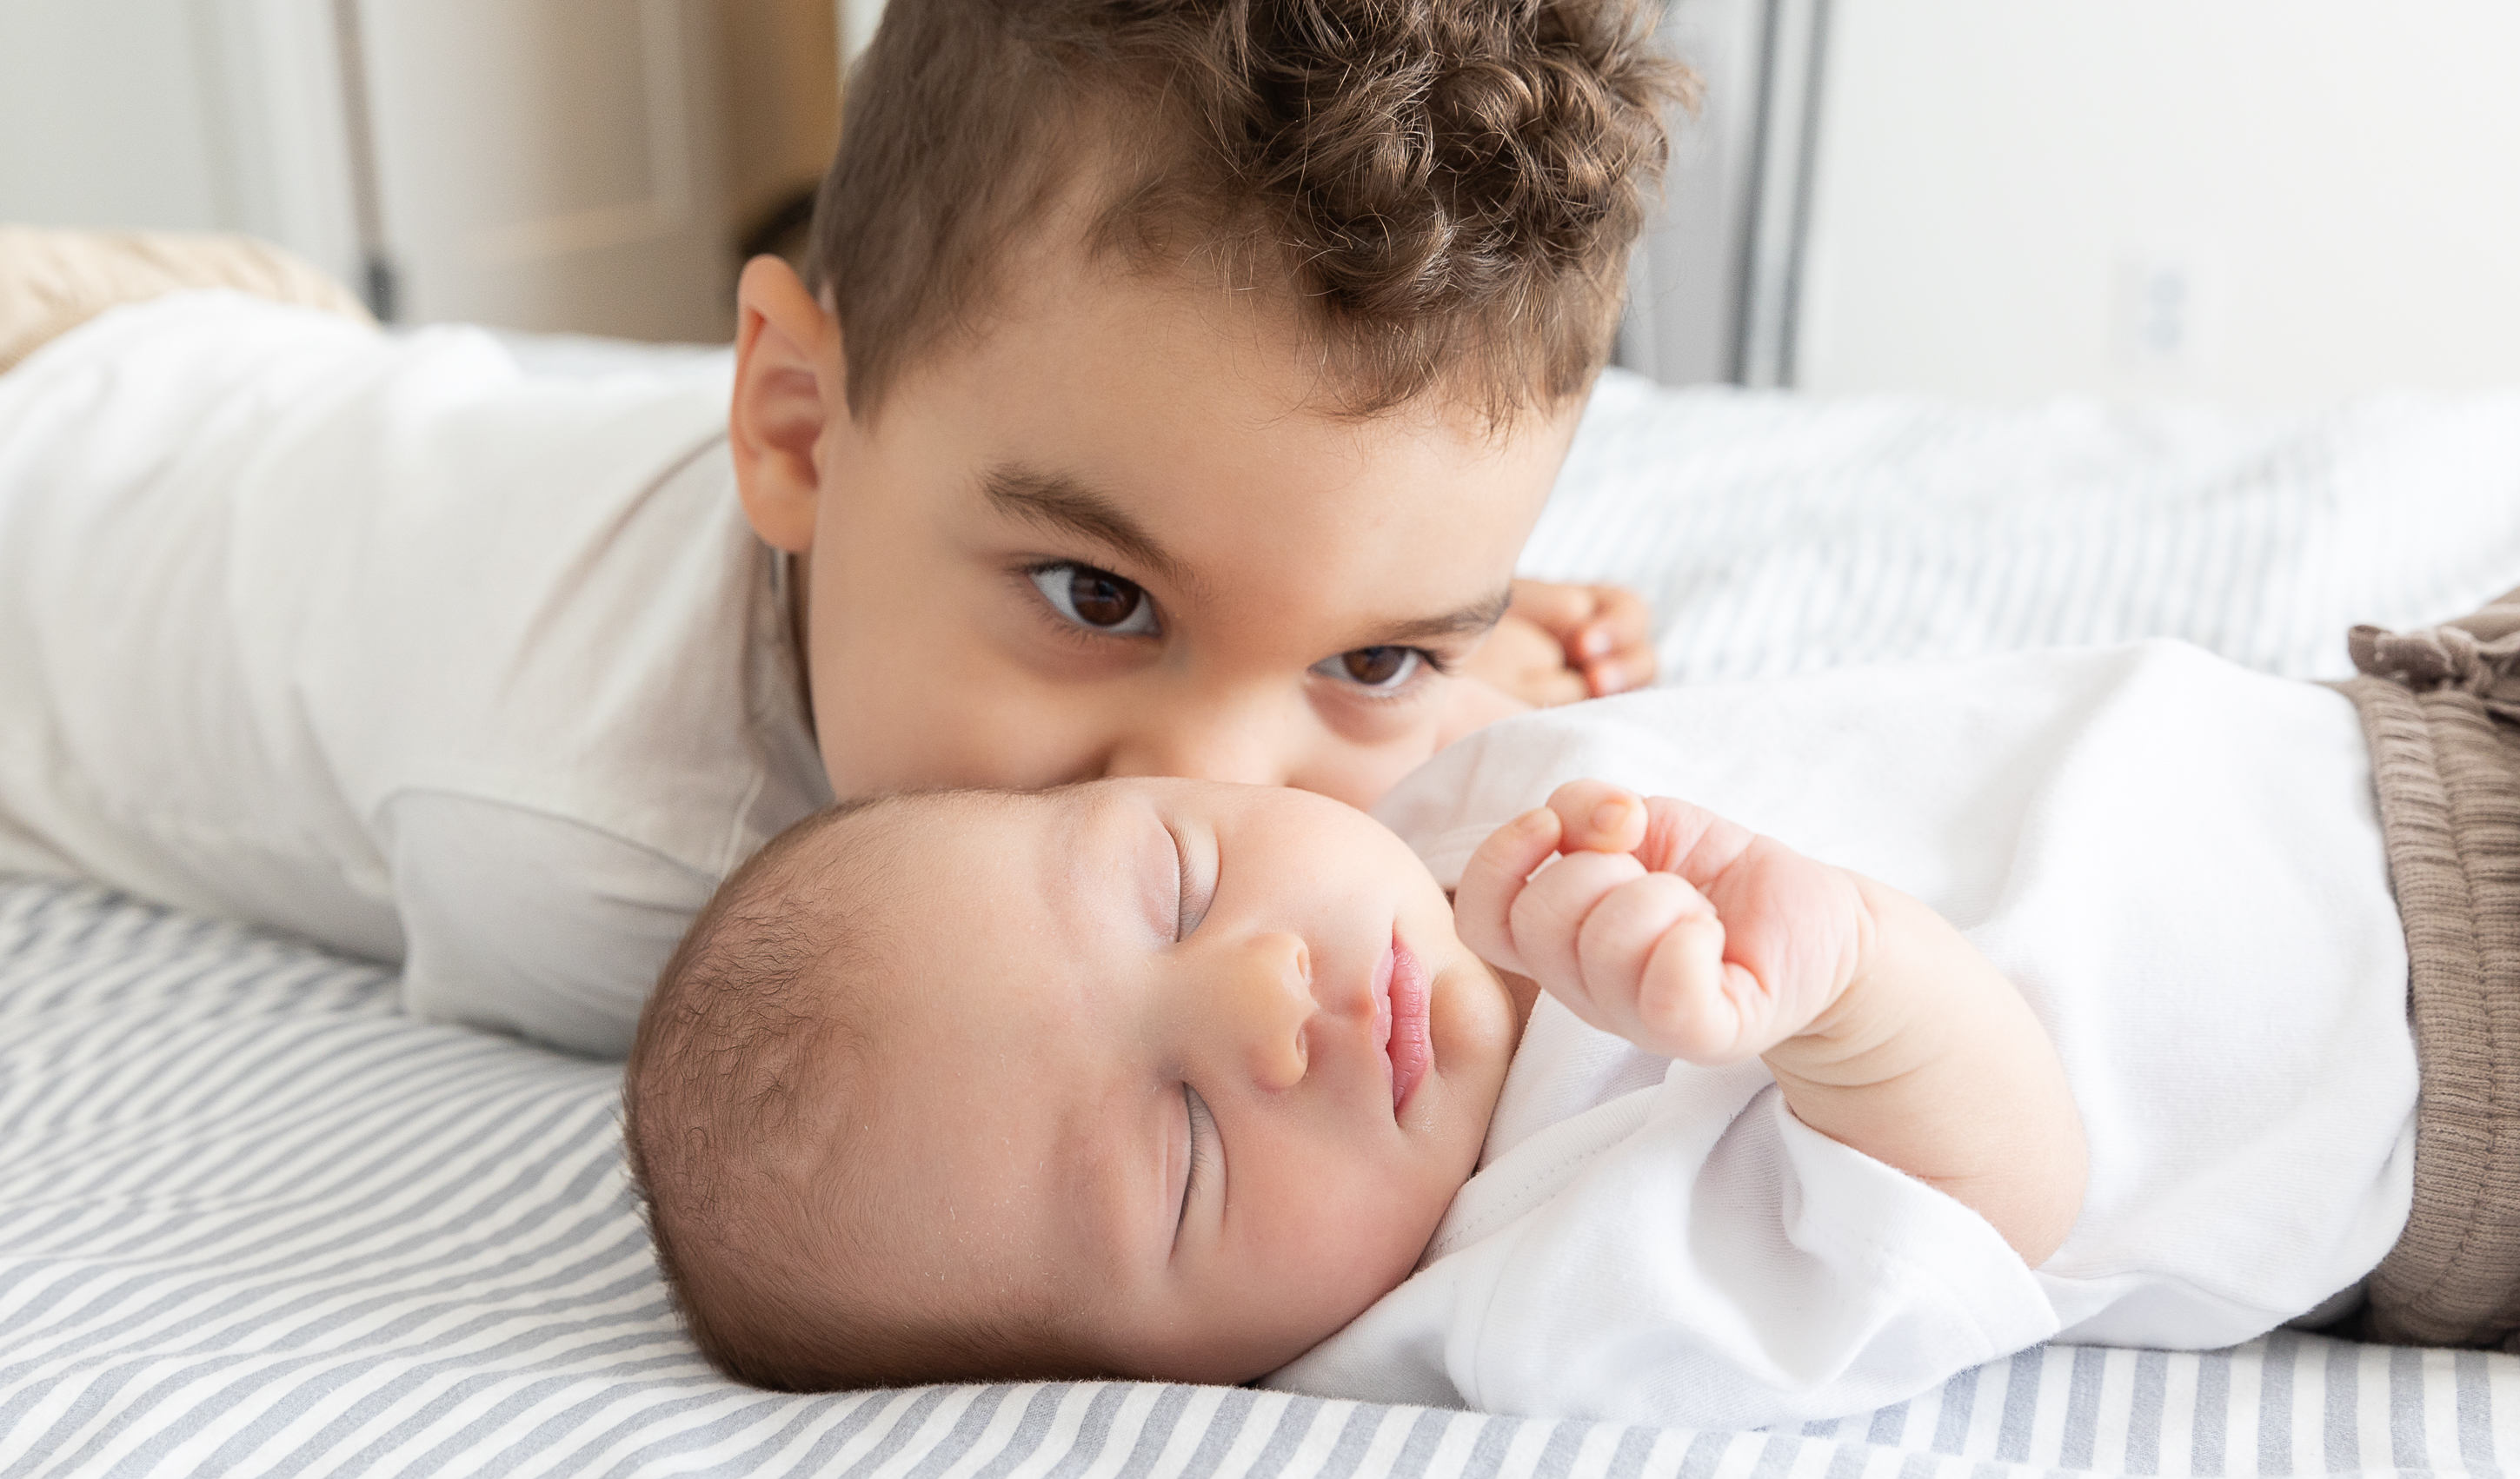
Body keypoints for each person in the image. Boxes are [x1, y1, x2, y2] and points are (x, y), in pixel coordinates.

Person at [0, 0, 1686, 1055]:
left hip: (252, 349)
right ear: (792, 430)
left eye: (1372, 648)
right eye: (1101, 595)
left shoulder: (963, 486)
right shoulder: (619, 848)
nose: (1211, 793)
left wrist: (1425, 675)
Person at [622, 544, 2520, 1425]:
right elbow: (1999, 1192)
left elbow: (1420, 690)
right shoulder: (1546, 1280)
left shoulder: (1407, 844)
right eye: (1181, 1156)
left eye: (1169, 876)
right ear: (1200, 1376)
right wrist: (1850, 996)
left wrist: (1501, 649)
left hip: (2442, 714)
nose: (1258, 1002)